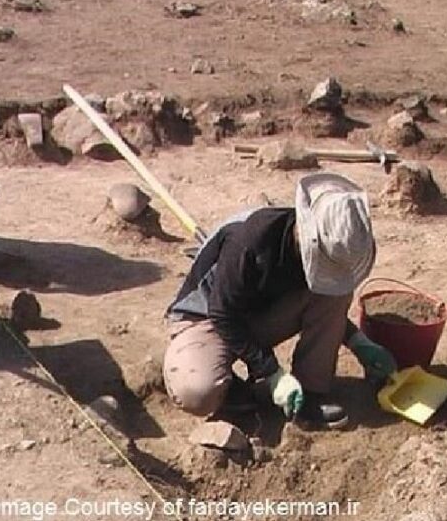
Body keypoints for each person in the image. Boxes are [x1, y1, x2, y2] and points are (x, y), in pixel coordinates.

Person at [162, 173, 398, 428]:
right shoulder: (249, 241)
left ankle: (311, 392)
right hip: (206, 318)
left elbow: (322, 305)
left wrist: (357, 341)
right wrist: (272, 373)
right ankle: (231, 391)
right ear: (308, 237)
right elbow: (223, 314)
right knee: (196, 392)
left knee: (336, 292)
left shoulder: (326, 247)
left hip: (259, 314)